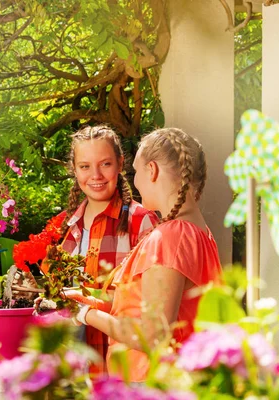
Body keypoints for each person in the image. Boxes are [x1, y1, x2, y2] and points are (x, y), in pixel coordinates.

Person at [66, 127, 223, 382]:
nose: (135, 181)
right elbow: (137, 304)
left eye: (136, 172)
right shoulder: (195, 232)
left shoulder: (171, 237)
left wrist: (86, 315)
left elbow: (153, 336)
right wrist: (84, 298)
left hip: (152, 385)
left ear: (152, 170)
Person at [40, 124, 158, 375]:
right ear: (74, 169)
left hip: (122, 368)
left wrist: (85, 303)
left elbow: (150, 303)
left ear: (120, 163)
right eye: (85, 166)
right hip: (74, 364)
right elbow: (56, 294)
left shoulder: (141, 221)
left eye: (105, 164)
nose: (95, 175)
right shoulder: (65, 225)